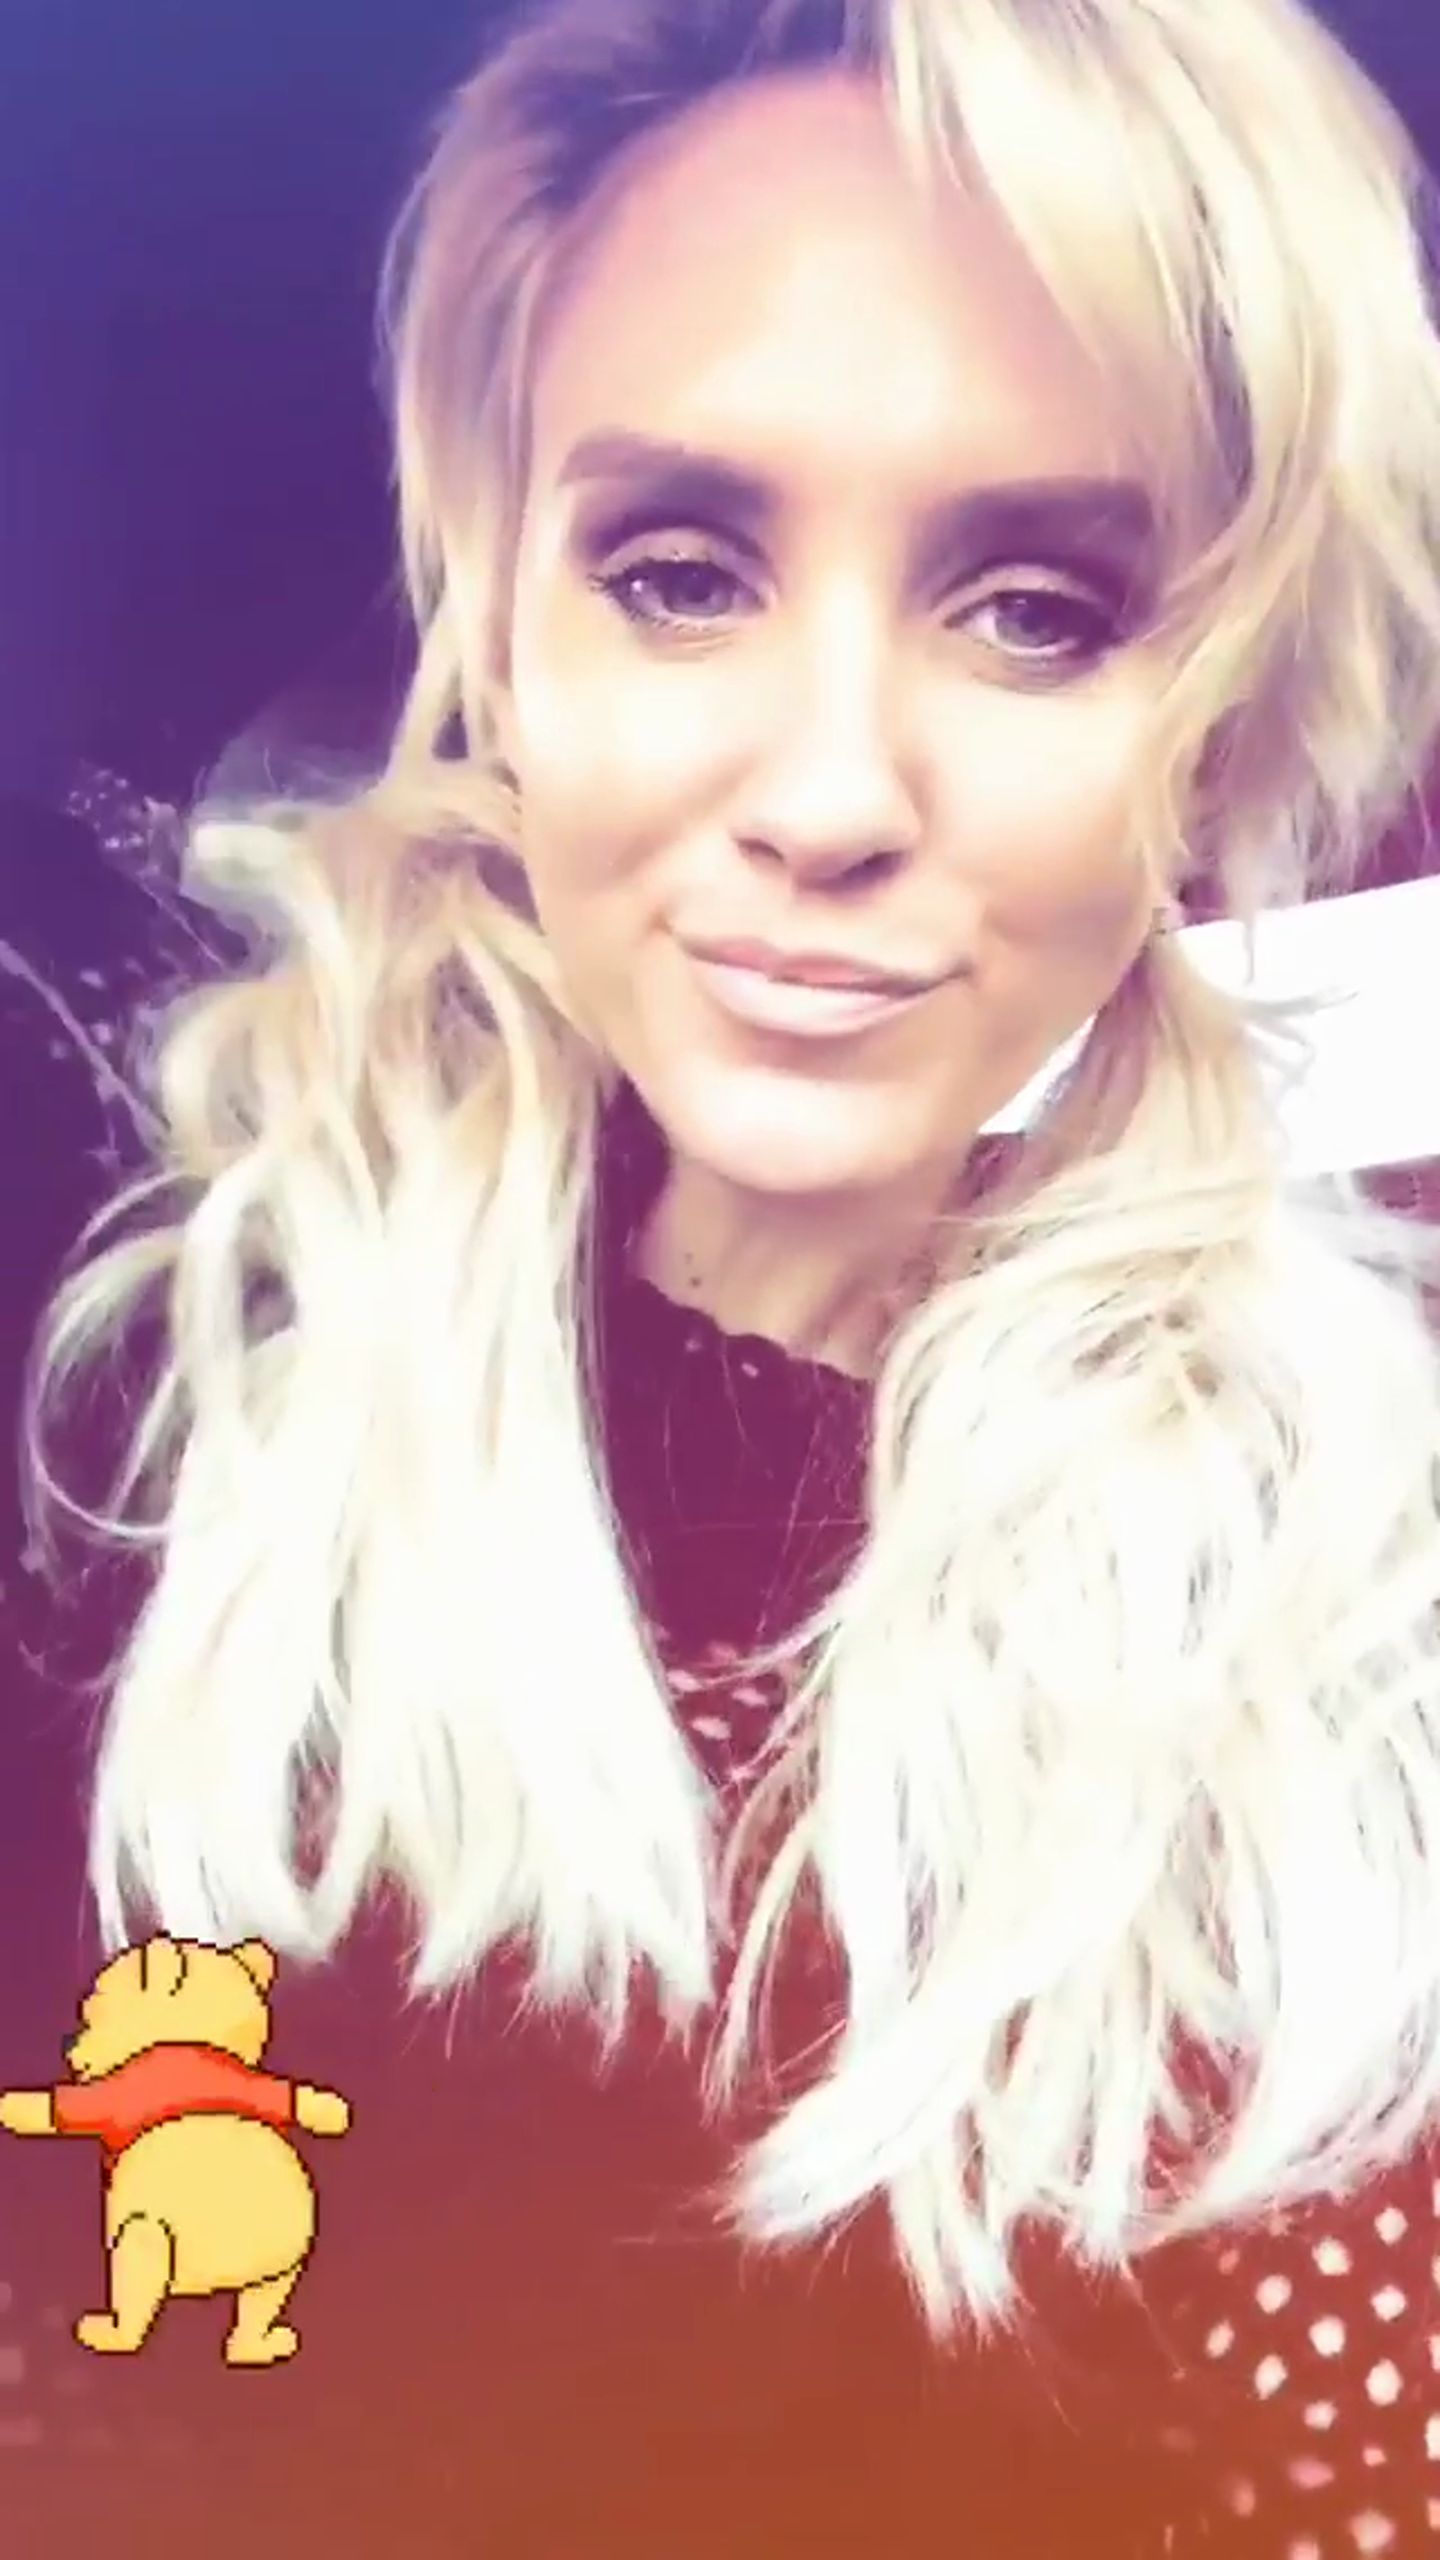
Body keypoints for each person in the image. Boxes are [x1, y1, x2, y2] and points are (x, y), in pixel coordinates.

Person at [9, 0, 1440, 2549]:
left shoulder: (1348, 1631)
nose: (829, 793)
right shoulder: (142, 1423)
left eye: (1037, 608)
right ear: (504, 626)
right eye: (680, 576)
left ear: (1215, 728)